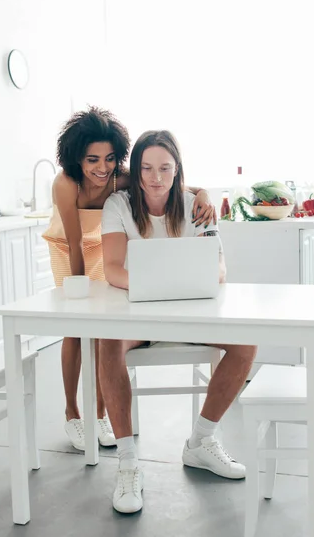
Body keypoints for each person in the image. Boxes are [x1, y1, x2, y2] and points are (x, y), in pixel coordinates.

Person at [100, 130, 258, 514]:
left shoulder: (194, 205)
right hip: (138, 316)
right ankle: (127, 463)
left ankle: (201, 442)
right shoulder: (118, 205)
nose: (156, 177)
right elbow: (112, 268)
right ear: (136, 170)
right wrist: (156, 288)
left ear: (177, 170)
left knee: (246, 342)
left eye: (165, 168)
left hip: (190, 315)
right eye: (147, 168)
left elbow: (218, 267)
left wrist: (189, 285)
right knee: (106, 342)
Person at [42, 108, 217, 452]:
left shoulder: (117, 179)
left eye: (109, 159)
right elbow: (74, 241)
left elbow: (169, 181)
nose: (101, 168)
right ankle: (72, 413)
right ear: (76, 157)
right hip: (67, 247)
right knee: (76, 329)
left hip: (101, 244)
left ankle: (100, 413)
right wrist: (79, 291)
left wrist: (205, 194)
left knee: (103, 329)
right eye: (92, 159)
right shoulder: (65, 184)